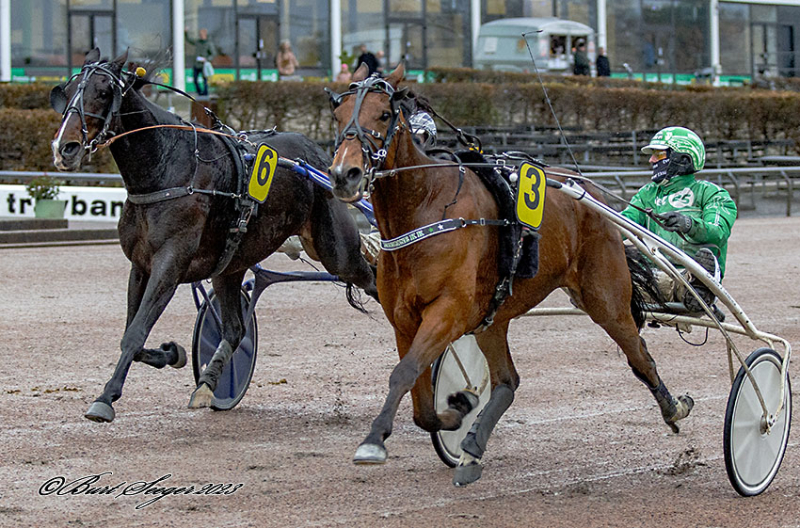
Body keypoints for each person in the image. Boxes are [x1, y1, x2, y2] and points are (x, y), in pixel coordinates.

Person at [621, 127, 738, 312]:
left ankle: (697, 289)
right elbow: (622, 225)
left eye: (658, 155)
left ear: (682, 159)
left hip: (687, 276)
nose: (651, 160)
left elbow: (718, 233)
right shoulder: (647, 193)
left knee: (703, 262)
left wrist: (688, 224)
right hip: (648, 277)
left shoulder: (712, 194)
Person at [185, 27, 217, 96]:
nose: (201, 36)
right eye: (200, 34)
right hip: (196, 64)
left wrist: (207, 59)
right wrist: (186, 33)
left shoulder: (208, 43)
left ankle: (205, 93)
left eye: (202, 34)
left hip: (204, 65)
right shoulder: (198, 42)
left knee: (205, 80)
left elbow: (213, 53)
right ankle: (199, 92)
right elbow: (190, 40)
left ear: (205, 35)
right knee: (195, 79)